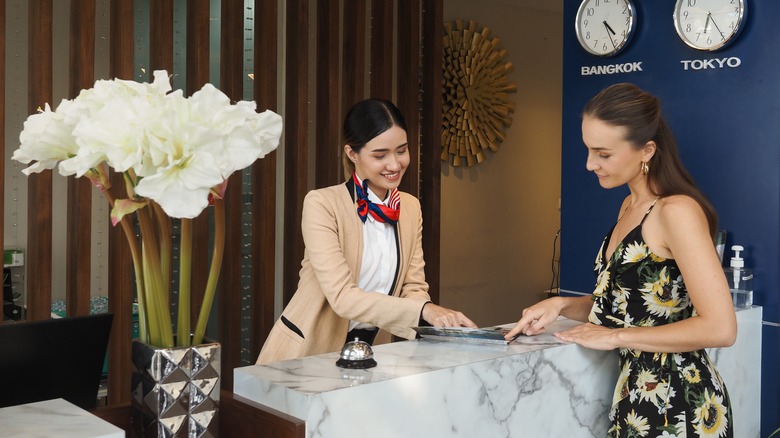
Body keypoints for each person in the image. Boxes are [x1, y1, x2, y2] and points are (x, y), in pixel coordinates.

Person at [505, 83, 737, 437]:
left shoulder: (676, 212)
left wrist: (617, 337)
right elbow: (628, 307)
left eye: (603, 153)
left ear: (646, 150)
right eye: (588, 150)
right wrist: (561, 306)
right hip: (635, 400)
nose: (589, 164)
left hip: (681, 406)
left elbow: (720, 328)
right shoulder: (629, 206)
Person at [257, 98, 476, 364]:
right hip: (306, 354)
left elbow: (414, 286)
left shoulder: (409, 207)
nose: (394, 165)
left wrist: (432, 320)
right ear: (352, 154)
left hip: (372, 353)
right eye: (380, 155)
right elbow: (343, 297)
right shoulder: (322, 204)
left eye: (402, 150)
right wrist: (425, 310)